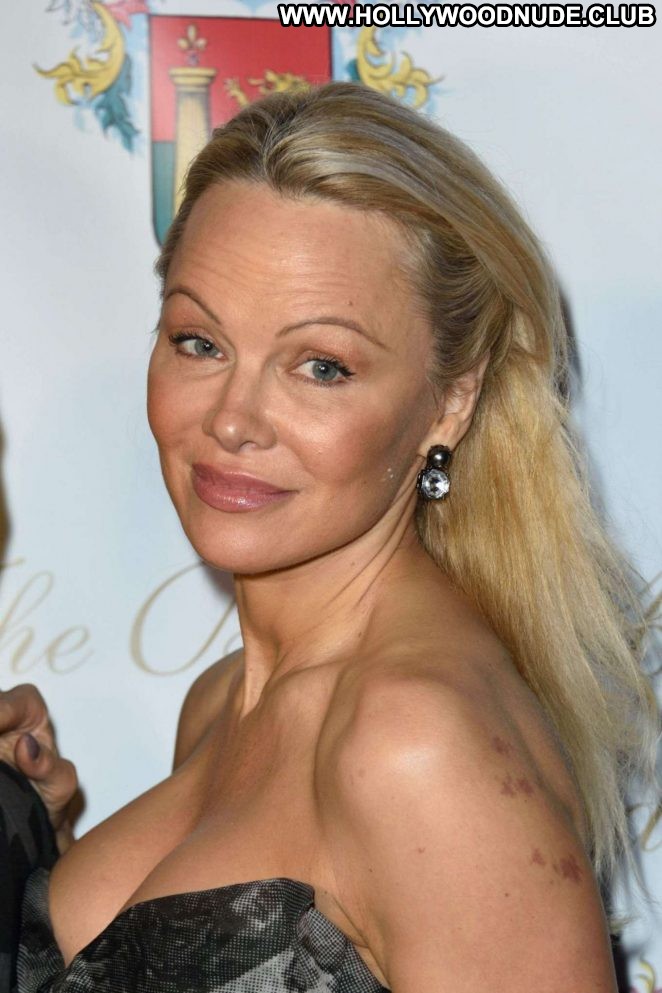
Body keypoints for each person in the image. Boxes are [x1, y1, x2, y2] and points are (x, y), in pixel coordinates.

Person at [1, 79, 660, 992]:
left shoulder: (414, 741)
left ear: (451, 399)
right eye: (199, 341)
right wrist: (38, 829)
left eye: (320, 365)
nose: (233, 420)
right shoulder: (222, 701)